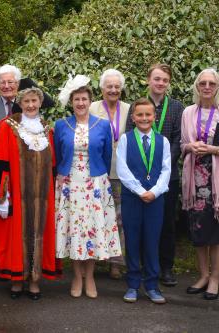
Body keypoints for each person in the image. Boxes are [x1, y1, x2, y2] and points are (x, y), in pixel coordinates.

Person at [0, 87, 61, 300]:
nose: (30, 105)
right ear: (20, 103)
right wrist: (1, 195)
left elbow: (53, 164)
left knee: (40, 234)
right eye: (26, 101)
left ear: (40, 103)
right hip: (16, 194)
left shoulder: (47, 129)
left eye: (34, 101)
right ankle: (17, 280)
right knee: (16, 235)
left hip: (42, 195)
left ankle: (35, 280)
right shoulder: (8, 127)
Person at [55, 75, 122, 298]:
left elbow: (106, 154)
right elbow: (58, 154)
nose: (81, 103)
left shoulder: (102, 125)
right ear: (72, 102)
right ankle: (76, 276)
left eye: (84, 99)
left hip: (95, 184)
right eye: (76, 100)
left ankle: (90, 276)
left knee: (93, 229)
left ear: (90, 100)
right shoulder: (61, 125)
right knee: (74, 229)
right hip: (70, 184)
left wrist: (98, 179)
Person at [181, 68, 219, 301]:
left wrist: (215, 150)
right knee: (198, 231)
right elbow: (183, 142)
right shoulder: (188, 112)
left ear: (218, 87)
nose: (207, 87)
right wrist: (190, 147)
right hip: (194, 182)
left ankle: (215, 278)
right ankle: (203, 275)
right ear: (197, 86)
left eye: (211, 84)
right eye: (202, 83)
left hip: (217, 183)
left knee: (216, 232)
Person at [125, 63, 184, 286]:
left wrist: (160, 169)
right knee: (139, 223)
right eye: (156, 79)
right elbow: (128, 137)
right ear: (148, 80)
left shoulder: (177, 107)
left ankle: (165, 268)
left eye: (165, 80)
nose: (160, 83)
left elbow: (179, 140)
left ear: (168, 83)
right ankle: (138, 267)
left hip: (167, 177)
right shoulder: (138, 105)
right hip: (139, 178)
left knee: (166, 223)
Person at [116, 98, 171, 304]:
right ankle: (132, 284)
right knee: (132, 240)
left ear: (154, 117)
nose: (144, 118)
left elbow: (166, 170)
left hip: (155, 200)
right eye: (140, 115)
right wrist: (140, 191)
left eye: (148, 114)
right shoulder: (125, 139)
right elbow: (122, 169)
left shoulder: (163, 141)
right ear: (133, 117)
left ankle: (151, 285)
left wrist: (154, 192)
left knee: (151, 241)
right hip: (132, 198)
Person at [89, 68, 130, 279]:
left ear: (121, 89)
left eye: (116, 86)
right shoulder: (92, 108)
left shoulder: (129, 109)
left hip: (122, 173)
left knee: (120, 219)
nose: (113, 90)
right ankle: (95, 260)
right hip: (97, 171)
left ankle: (116, 263)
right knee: (97, 216)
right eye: (109, 86)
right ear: (102, 88)